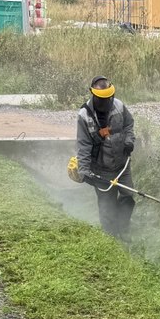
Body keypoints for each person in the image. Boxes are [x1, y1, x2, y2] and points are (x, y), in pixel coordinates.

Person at [67, 77, 136, 239]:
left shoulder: (119, 106)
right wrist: (84, 170)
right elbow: (83, 145)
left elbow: (128, 124)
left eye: (109, 97)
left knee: (128, 196)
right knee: (107, 207)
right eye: (103, 99)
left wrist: (129, 140)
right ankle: (111, 238)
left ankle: (123, 229)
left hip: (122, 165)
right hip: (100, 169)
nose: (107, 101)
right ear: (94, 95)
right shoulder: (84, 116)